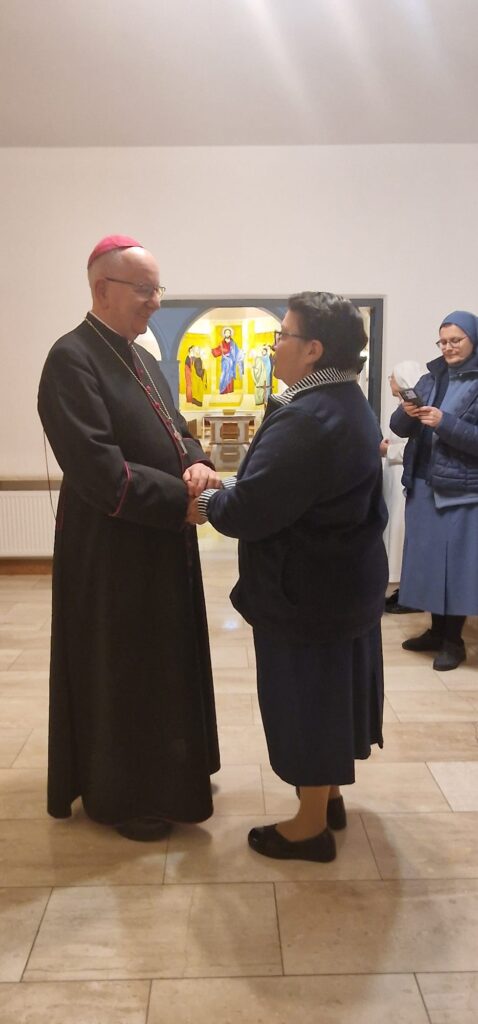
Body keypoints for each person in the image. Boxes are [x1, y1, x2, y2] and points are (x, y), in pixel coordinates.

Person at [187, 292, 388, 863]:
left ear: (313, 349)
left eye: (284, 336)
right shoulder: (343, 398)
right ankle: (327, 797)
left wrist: (205, 502)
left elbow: (253, 510)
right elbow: (290, 488)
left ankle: (308, 828)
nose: (275, 346)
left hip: (306, 592)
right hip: (341, 583)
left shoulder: (308, 416)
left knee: (306, 702)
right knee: (332, 694)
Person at [38, 234, 221, 841]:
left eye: (157, 288)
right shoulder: (71, 359)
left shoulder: (141, 357)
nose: (155, 301)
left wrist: (196, 462)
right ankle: (129, 792)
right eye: (144, 289)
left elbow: (177, 429)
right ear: (102, 290)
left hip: (161, 540)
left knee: (165, 661)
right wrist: (179, 501)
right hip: (112, 548)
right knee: (126, 668)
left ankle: (174, 772)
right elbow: (97, 468)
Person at [391, 310, 478, 671]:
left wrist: (445, 423)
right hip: (423, 483)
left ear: (473, 339)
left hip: (460, 490)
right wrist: (407, 411)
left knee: (455, 569)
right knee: (427, 564)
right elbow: (398, 428)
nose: (448, 347)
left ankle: (453, 641)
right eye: (442, 341)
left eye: (455, 340)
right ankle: (435, 631)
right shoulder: (431, 377)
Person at [382, 361, 424, 613]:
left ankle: (411, 593)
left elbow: (416, 446)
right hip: (400, 479)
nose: (389, 380)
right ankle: (405, 589)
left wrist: (389, 451)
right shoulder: (402, 408)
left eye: (392, 376)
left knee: (408, 540)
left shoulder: (418, 408)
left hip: (408, 478)